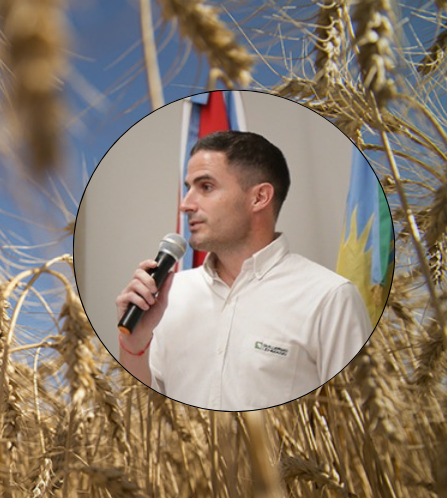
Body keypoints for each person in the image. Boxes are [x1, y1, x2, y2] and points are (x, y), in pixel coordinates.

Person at [114, 130, 370, 411]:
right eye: (189, 187)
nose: (186, 204)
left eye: (206, 187)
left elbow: (356, 429)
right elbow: (140, 419)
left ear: (259, 197)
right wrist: (134, 345)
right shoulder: (167, 296)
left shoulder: (329, 298)